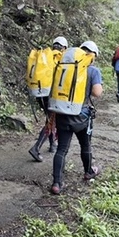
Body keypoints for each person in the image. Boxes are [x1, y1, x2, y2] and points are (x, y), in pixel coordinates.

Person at [50, 41, 103, 195]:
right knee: (85, 145)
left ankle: (56, 183)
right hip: (82, 116)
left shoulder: (64, 67)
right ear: (92, 55)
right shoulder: (93, 71)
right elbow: (97, 93)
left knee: (61, 149)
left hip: (61, 114)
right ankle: (88, 172)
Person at [28, 36, 68, 162]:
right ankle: (36, 148)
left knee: (50, 119)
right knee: (51, 122)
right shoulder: (60, 58)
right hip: (52, 96)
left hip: (41, 95)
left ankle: (52, 145)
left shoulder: (46, 57)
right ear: (64, 48)